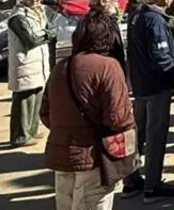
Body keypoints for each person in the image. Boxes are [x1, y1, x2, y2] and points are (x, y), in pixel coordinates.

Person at [43, 12, 135, 210]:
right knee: (92, 202)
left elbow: (44, 112)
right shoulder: (108, 66)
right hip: (94, 155)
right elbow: (118, 118)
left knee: (65, 204)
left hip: (62, 152)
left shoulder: (60, 67)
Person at [122, 0, 174, 202]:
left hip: (140, 84)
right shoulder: (154, 20)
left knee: (138, 134)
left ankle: (131, 179)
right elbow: (161, 56)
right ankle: (152, 185)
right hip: (156, 86)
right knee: (156, 135)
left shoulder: (137, 15)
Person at [7, 0, 53, 147]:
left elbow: (49, 31)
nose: (35, 1)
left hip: (37, 63)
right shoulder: (18, 17)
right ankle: (20, 136)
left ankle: (31, 131)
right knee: (24, 102)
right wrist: (47, 35)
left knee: (37, 99)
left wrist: (46, 34)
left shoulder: (39, 12)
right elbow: (30, 39)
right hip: (25, 63)